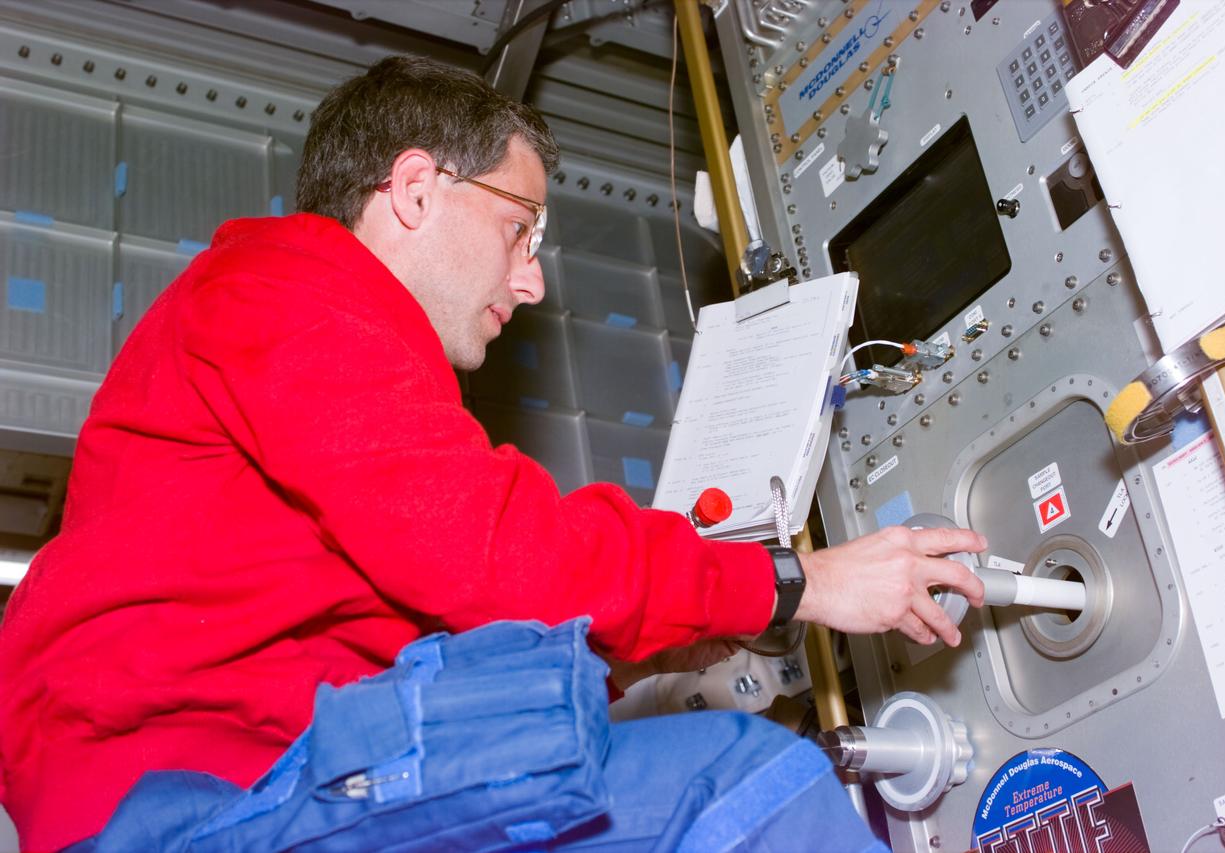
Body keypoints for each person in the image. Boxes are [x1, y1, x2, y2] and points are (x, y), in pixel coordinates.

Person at [0, 55, 985, 851]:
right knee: (745, 781)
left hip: (238, 793)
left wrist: (641, 643)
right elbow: (483, 546)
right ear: (417, 189)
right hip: (186, 812)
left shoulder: (293, 360)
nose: (530, 281)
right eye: (520, 228)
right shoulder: (286, 293)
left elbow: (417, 636)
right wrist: (789, 583)